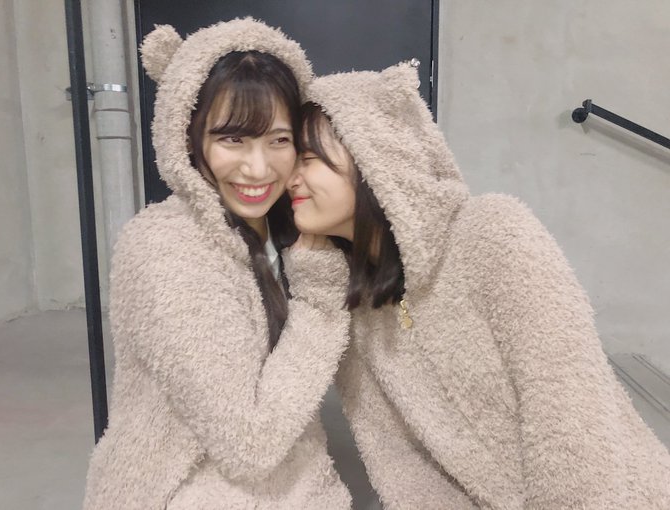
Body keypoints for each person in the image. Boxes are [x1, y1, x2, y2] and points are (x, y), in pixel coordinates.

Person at [286, 62, 670, 509]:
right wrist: (313, 276)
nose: (290, 178)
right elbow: (395, 458)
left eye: (308, 159)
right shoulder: (355, 305)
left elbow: (573, 419)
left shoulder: (492, 233)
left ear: (374, 159)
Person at [83, 18, 352, 509]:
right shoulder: (166, 248)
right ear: (188, 138)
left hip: (290, 480)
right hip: (181, 491)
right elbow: (249, 445)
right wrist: (319, 300)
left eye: (278, 140)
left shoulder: (289, 229)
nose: (258, 168)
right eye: (232, 139)